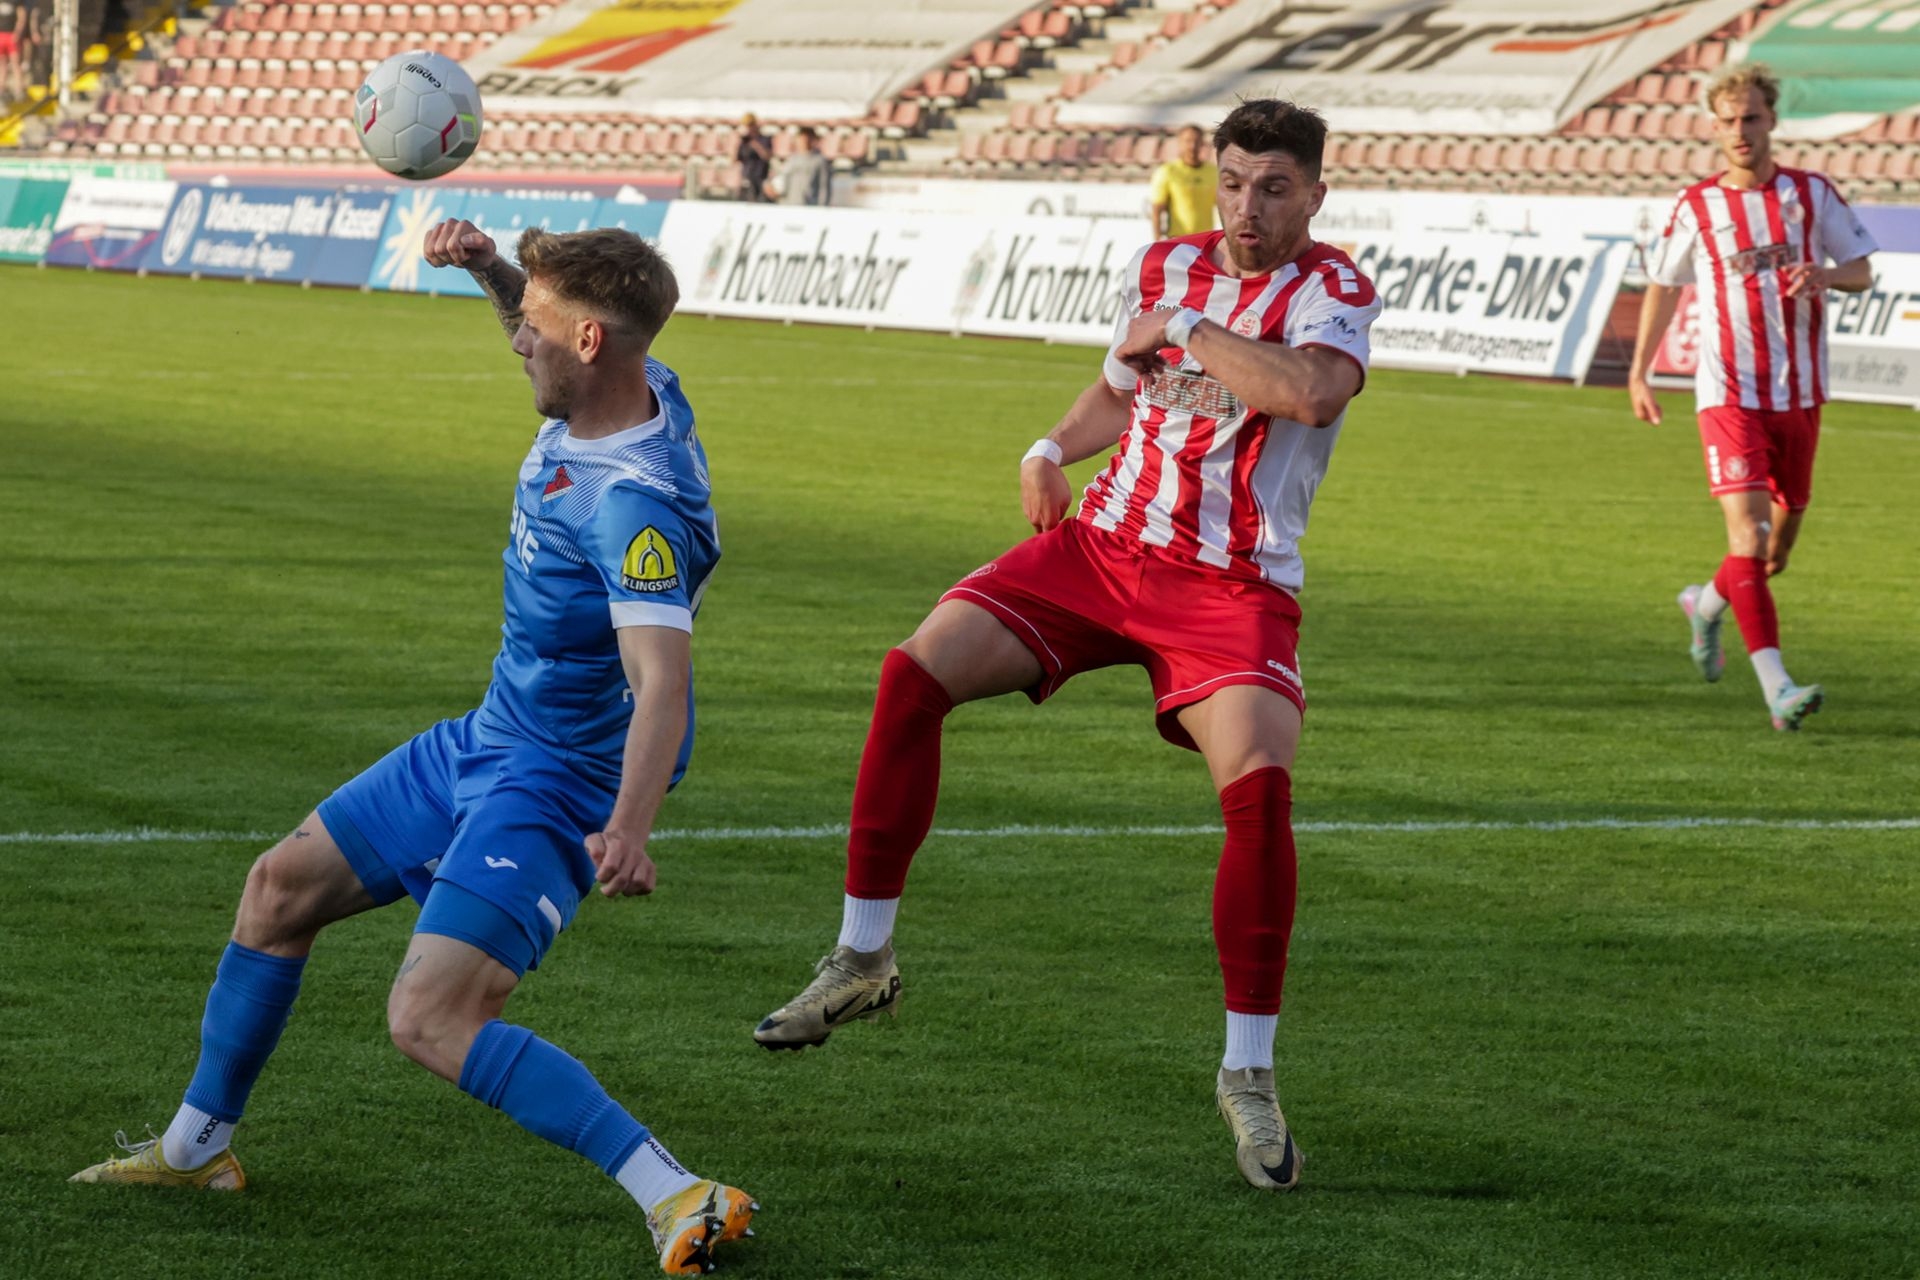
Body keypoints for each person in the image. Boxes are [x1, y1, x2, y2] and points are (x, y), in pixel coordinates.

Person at [70, 224, 757, 1277]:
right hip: (491, 735)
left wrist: (627, 827)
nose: (516, 339)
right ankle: (196, 1152)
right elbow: (558, 335)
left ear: (585, 341)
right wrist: (491, 270)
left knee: (432, 1016)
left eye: (532, 326)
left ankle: (678, 1192)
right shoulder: (635, 380)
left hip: (557, 778)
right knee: (279, 890)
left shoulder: (632, 506)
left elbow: (662, 679)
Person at [753, 99, 1380, 1194]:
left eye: (1274, 187)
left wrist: (1185, 328)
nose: (1247, 207)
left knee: (1258, 788)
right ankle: (861, 956)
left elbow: (1309, 394)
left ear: (1316, 195)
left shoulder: (1333, 290)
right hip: (1101, 550)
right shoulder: (1166, 262)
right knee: (914, 671)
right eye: (1234, 182)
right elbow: (1123, 389)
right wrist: (1049, 445)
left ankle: (1247, 1073)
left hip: (1231, 585)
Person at [1628, 63, 1876, 731]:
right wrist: (1640, 372)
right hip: (1729, 393)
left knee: (1770, 555)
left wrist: (1825, 275)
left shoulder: (1810, 194)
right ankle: (1778, 689)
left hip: (1801, 393)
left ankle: (1704, 605)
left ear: (1772, 121)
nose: (1741, 131)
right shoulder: (1697, 205)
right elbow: (1664, 284)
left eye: (1752, 118)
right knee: (1748, 532)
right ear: (1713, 128)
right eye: (1729, 121)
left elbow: (1862, 270)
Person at [1149, 124, 1218, 238]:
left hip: (1205, 238)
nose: (1192, 146)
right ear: (1179, 143)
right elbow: (1157, 209)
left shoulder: (1213, 172)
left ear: (1202, 143)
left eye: (1196, 141)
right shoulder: (1168, 171)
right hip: (1177, 238)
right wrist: (1157, 239)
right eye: (1188, 141)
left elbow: (1224, 207)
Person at [769, 126, 831, 206]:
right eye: (802, 139)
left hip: (810, 205)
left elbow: (824, 186)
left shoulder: (820, 161)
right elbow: (783, 180)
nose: (804, 141)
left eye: (807, 138)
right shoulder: (791, 160)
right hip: (790, 204)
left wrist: (822, 206)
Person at [734, 113, 772, 203]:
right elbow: (735, 159)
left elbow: (767, 156)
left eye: (750, 125)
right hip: (747, 177)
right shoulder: (744, 142)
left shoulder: (764, 139)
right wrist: (737, 142)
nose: (748, 128)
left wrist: (754, 143)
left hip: (760, 177)